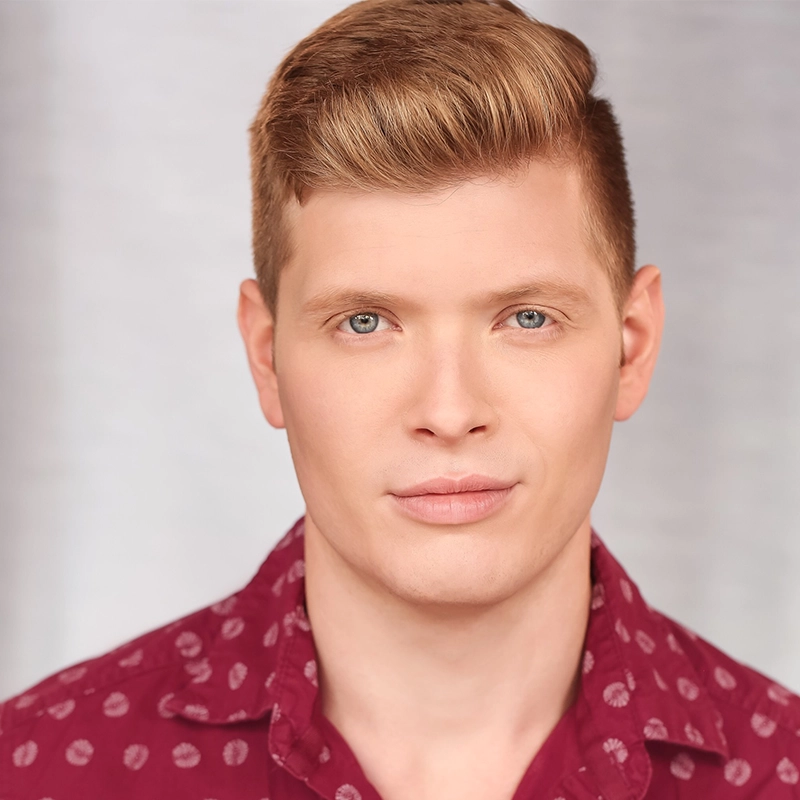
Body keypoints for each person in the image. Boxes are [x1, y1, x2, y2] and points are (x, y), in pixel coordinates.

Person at [2, 0, 798, 797]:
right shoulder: (37, 769)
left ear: (631, 345)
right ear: (266, 357)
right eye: (364, 322)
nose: (450, 413)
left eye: (527, 318)